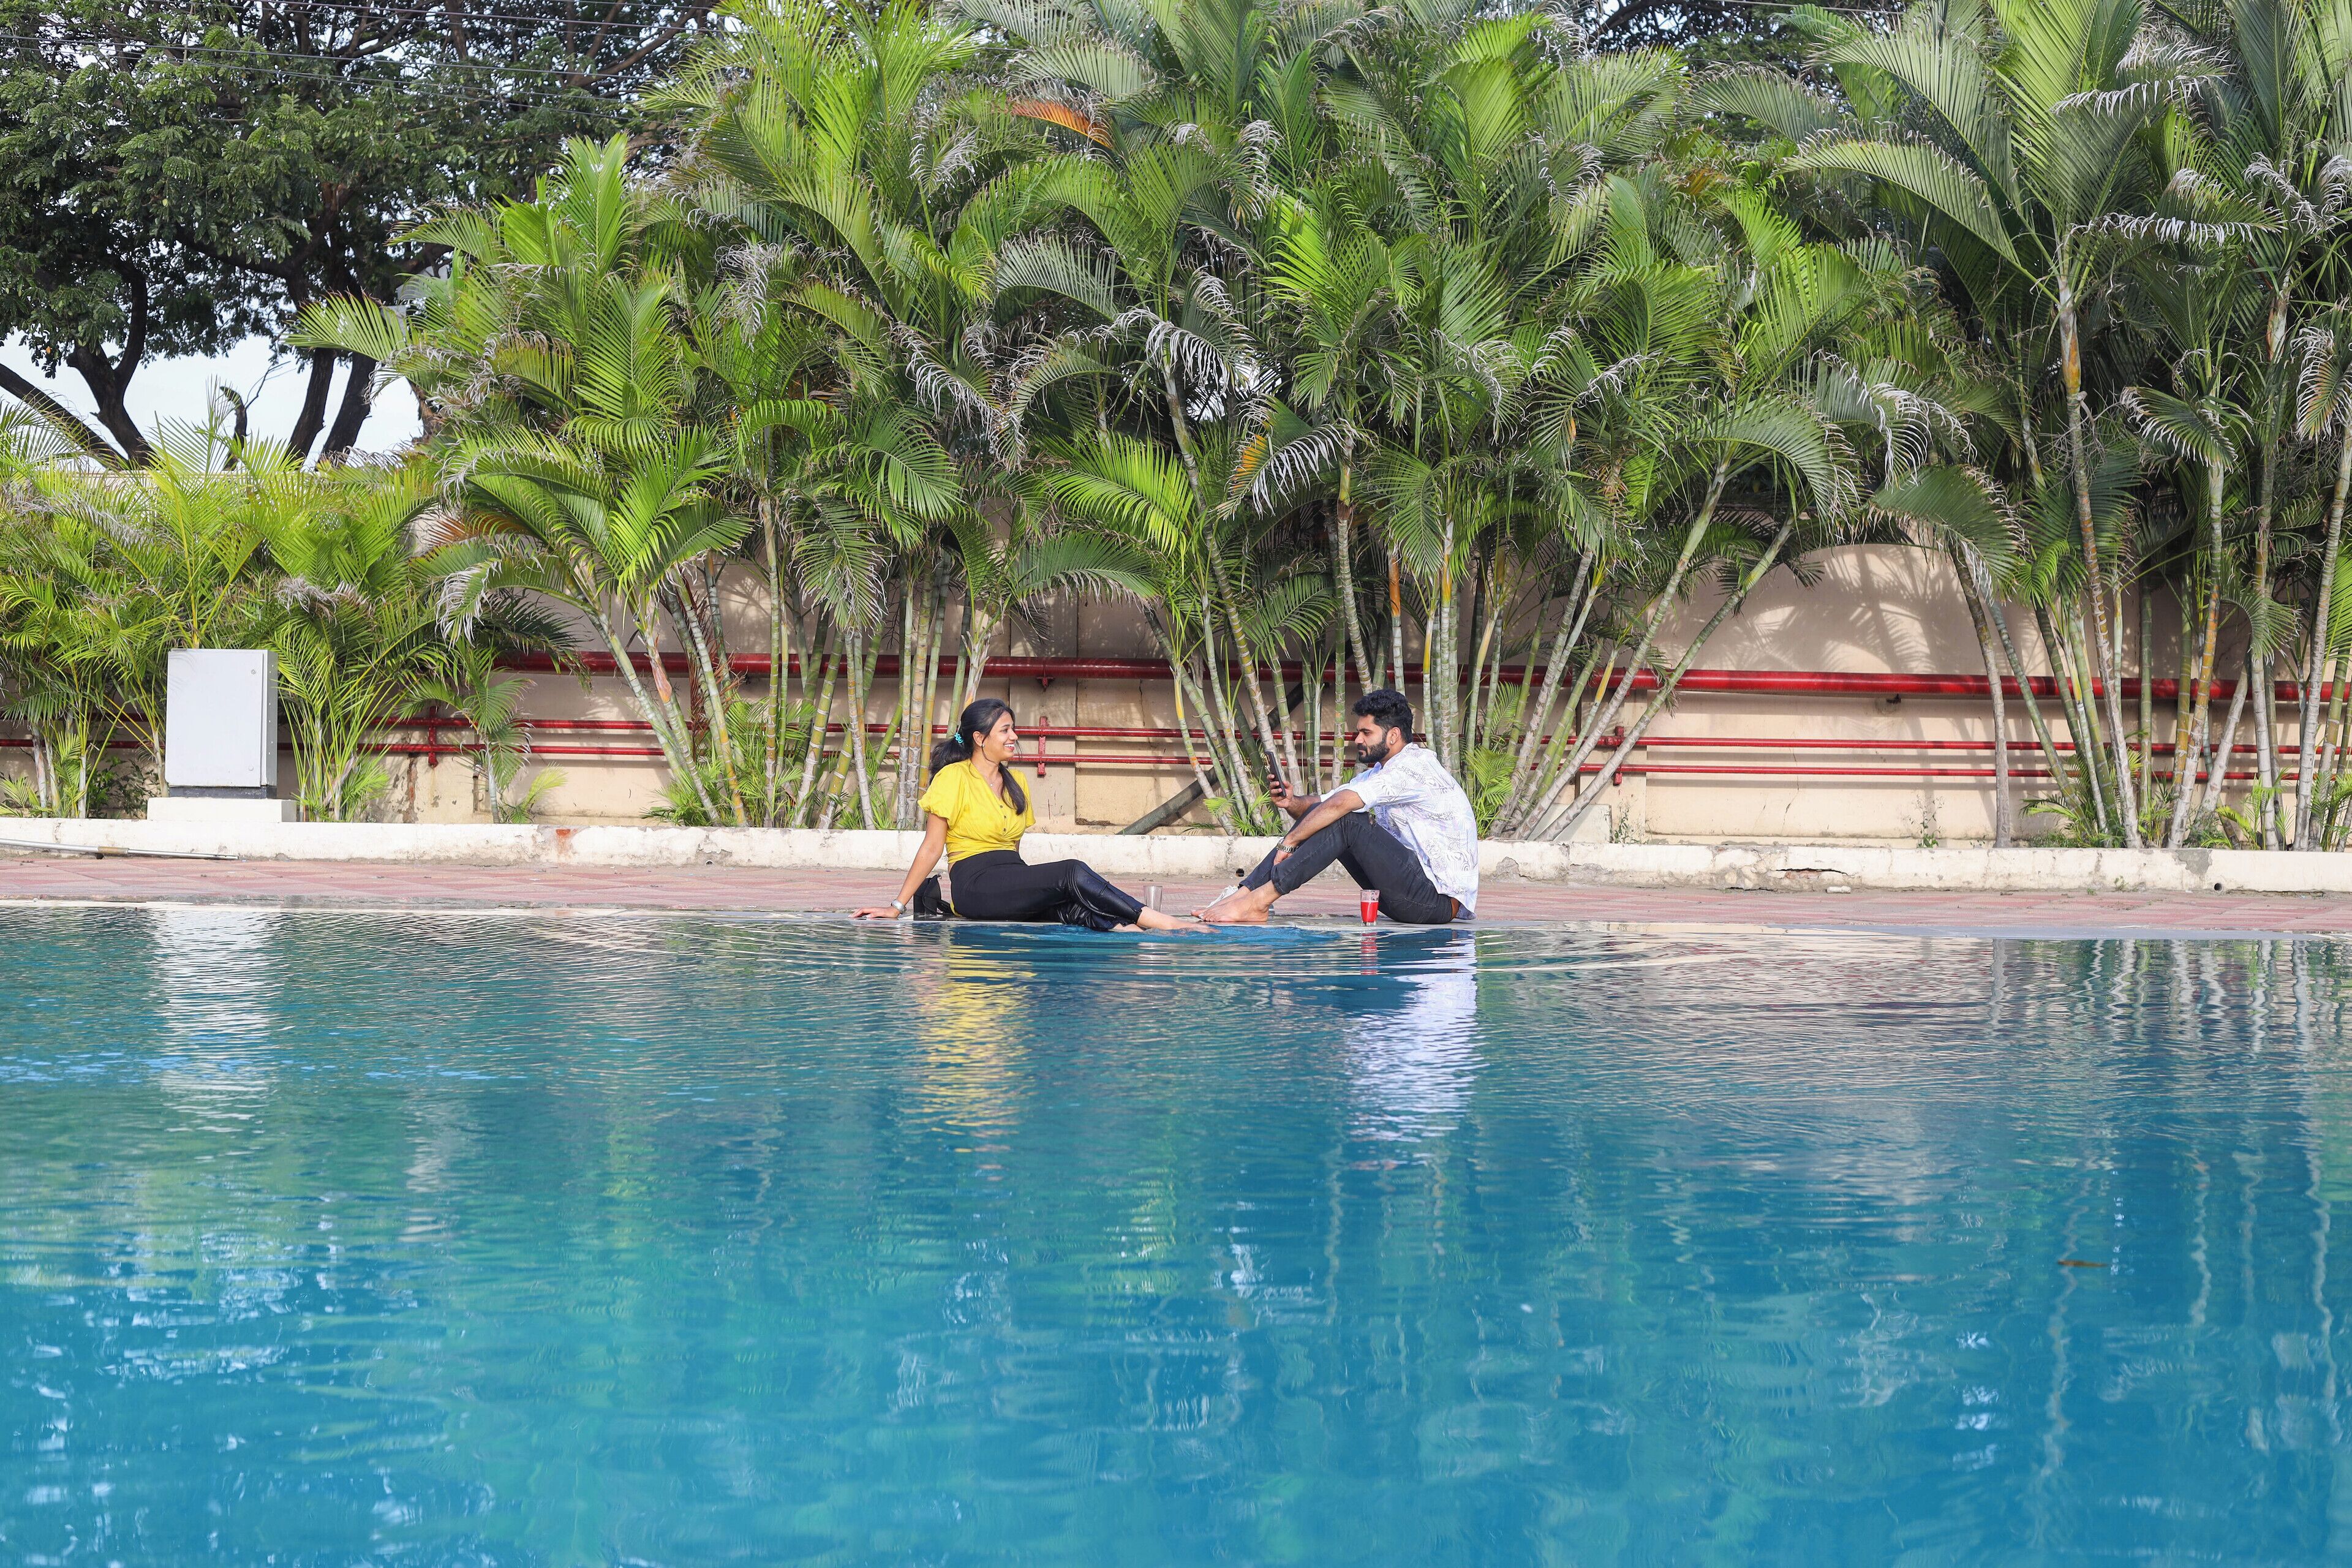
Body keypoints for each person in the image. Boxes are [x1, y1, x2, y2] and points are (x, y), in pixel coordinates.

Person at [854, 698, 1202, 932]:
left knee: (1075, 908)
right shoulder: (953, 777)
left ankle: (1132, 936)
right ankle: (1163, 922)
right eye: (1005, 730)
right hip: (974, 885)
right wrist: (896, 906)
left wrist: (1027, 888)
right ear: (979, 738)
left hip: (1008, 880)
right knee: (1072, 872)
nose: (1014, 737)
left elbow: (1013, 849)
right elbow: (932, 847)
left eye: (1012, 729)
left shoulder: (1016, 781)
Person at [1199, 688, 1477, 925]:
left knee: (1347, 819)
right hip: (1405, 895)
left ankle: (1258, 902)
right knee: (1332, 814)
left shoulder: (1413, 768)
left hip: (1434, 901)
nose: (1357, 740)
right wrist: (1292, 803)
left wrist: (1290, 840)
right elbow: (1323, 806)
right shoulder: (1382, 771)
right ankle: (1244, 893)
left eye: (1366, 733)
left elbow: (1340, 807)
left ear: (1393, 735)